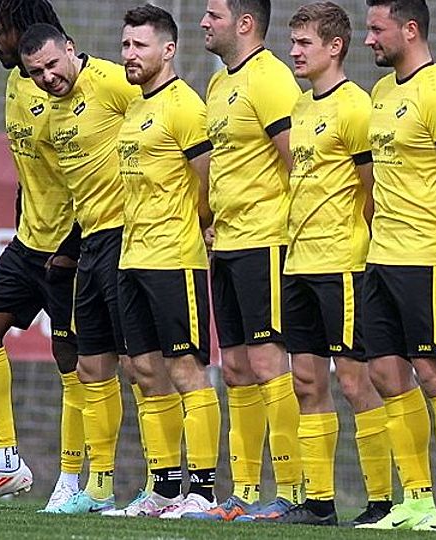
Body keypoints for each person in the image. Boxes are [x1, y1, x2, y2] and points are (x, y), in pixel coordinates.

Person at [91, 5, 221, 519]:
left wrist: (201, 223)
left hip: (174, 258)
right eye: (125, 45)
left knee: (186, 370)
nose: (129, 54)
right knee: (142, 369)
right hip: (132, 256)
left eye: (139, 45)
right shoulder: (134, 108)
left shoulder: (185, 106)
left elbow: (207, 178)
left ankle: (203, 491)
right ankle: (163, 489)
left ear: (168, 50)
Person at [264, 1, 391, 526]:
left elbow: (372, 188)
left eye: (304, 43)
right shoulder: (300, 106)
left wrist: (354, 239)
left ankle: (381, 501)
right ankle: (318, 503)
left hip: (342, 264)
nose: (294, 52)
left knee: (357, 383)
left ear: (335, 47)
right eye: (292, 42)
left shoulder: (356, 106)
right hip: (299, 263)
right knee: (305, 383)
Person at [0, 0, 82, 510]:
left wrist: (73, 248)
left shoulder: (71, 91)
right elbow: (28, 174)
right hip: (27, 244)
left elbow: (93, 179)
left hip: (71, 248)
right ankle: (7, 462)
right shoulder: (14, 82)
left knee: (72, 362)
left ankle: (72, 478)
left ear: (24, 28)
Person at [354, 0, 436, 531]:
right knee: (384, 373)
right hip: (381, 255)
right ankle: (417, 499)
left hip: (429, 255)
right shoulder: (382, 92)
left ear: (409, 29)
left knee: (433, 371)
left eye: (376, 29)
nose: (369, 40)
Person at [19, 21, 140, 514]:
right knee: (91, 366)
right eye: (36, 72)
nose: (47, 77)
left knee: (142, 366)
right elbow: (74, 189)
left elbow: (163, 127)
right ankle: (99, 487)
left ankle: (164, 485)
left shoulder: (112, 82)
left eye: (52, 64)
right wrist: (69, 246)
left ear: (70, 49)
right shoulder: (51, 112)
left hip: (129, 237)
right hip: (89, 243)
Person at [193, 0, 303, 522]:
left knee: (267, 363)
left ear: (244, 23)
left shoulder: (272, 78)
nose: (203, 22)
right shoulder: (219, 83)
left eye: (213, 14)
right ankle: (243, 492)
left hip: (267, 241)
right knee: (235, 367)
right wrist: (213, 218)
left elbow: (299, 161)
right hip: (228, 244)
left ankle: (292, 489)